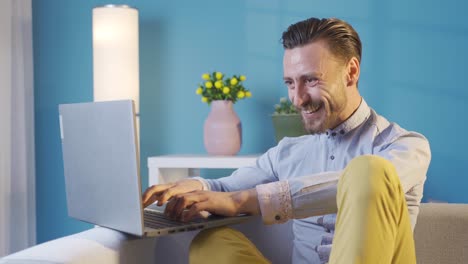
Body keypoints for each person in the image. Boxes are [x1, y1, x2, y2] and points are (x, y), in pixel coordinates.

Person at [142, 17, 431, 264]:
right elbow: (223, 188)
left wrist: (245, 199)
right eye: (290, 83)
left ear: (351, 72)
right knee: (210, 243)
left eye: (311, 80)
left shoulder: (405, 146)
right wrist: (188, 188)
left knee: (370, 172)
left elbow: (356, 183)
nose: (298, 98)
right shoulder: (287, 153)